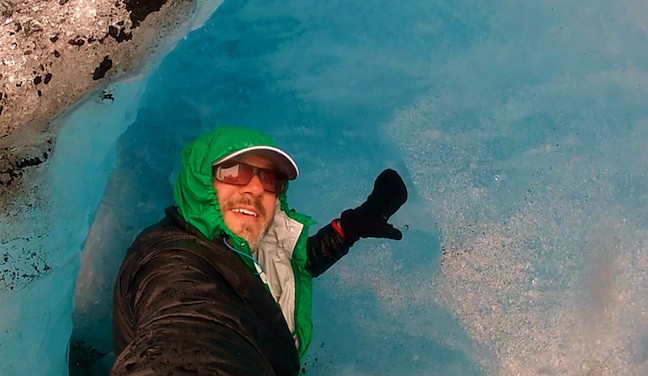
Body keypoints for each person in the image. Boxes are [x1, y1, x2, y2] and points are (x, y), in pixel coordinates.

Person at [111, 126, 408, 375]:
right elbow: (190, 333)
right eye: (233, 171)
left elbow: (285, 265)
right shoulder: (170, 260)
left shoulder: (234, 242)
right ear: (200, 179)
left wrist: (350, 227)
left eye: (270, 179)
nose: (255, 189)